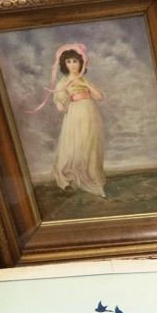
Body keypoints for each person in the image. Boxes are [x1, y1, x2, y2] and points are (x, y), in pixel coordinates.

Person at [48, 44, 106, 198]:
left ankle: (91, 175)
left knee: (90, 143)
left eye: (75, 61)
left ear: (81, 63)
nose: (73, 65)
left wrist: (85, 85)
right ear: (64, 64)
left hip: (90, 112)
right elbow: (60, 101)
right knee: (76, 143)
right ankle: (70, 176)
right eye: (69, 62)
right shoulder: (63, 81)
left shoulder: (84, 80)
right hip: (75, 113)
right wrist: (61, 102)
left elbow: (100, 97)